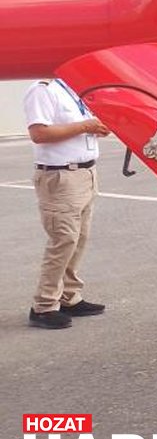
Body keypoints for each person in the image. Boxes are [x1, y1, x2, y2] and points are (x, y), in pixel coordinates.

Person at [23, 78, 110, 329]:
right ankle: (44, 305)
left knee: (78, 239)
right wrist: (85, 126)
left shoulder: (71, 89)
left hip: (85, 173)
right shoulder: (42, 90)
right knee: (63, 240)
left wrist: (94, 128)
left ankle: (69, 296)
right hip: (60, 176)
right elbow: (39, 133)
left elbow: (77, 127)